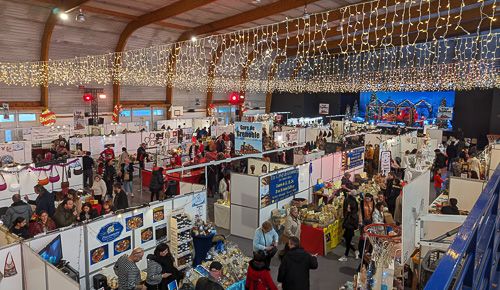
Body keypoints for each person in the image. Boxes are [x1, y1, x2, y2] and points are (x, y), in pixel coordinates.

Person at [339, 190, 359, 262]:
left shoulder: (348, 201)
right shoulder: (354, 202)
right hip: (351, 224)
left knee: (347, 241)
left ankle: (346, 255)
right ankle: (355, 251)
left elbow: (346, 212)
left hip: (349, 224)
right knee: (346, 238)